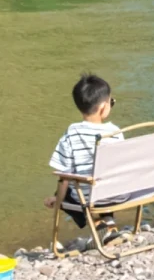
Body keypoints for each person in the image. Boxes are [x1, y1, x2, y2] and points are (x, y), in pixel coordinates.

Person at [45, 72, 122, 240]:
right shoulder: (116, 132)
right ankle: (109, 224)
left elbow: (64, 174)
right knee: (102, 181)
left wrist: (57, 200)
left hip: (88, 197)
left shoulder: (72, 132)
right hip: (115, 193)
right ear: (103, 107)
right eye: (112, 102)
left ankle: (96, 225)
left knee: (66, 190)